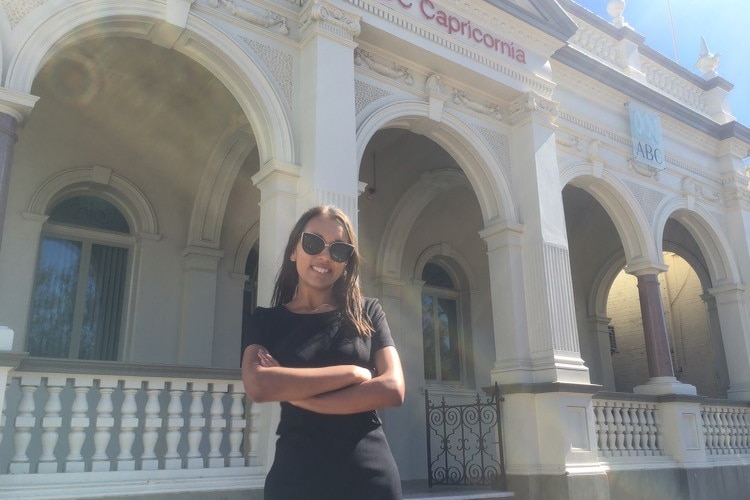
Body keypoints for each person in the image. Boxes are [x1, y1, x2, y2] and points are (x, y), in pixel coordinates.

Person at [241, 205, 405, 500]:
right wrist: (354, 374)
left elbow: (393, 389)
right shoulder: (266, 321)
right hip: (296, 478)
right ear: (294, 250)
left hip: (368, 476)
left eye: (338, 250)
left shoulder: (368, 312)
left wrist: (291, 388)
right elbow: (258, 385)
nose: (324, 256)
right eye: (313, 243)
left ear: (346, 262)